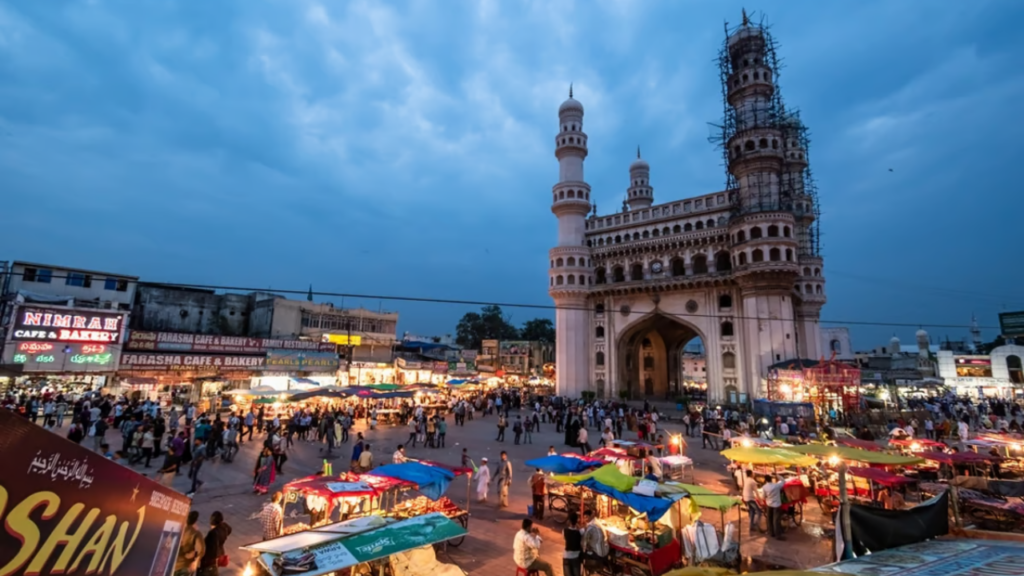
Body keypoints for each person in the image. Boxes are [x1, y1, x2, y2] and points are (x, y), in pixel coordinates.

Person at [198, 511, 231, 576]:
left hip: (209, 563)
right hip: (217, 559)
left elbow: (212, 550)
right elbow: (229, 529)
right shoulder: (224, 529)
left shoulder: (213, 533)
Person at [173, 510, 205, 576]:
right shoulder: (195, 533)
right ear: (195, 521)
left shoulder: (177, 529)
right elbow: (201, 550)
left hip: (174, 565)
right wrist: (195, 561)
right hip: (186, 566)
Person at [761, 475, 786, 540]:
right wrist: (777, 475)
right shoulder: (776, 486)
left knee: (769, 519)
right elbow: (783, 481)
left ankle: (771, 533)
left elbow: (763, 497)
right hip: (777, 505)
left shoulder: (764, 487)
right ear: (771, 479)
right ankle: (778, 535)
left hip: (769, 505)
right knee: (776, 520)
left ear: (765, 480)